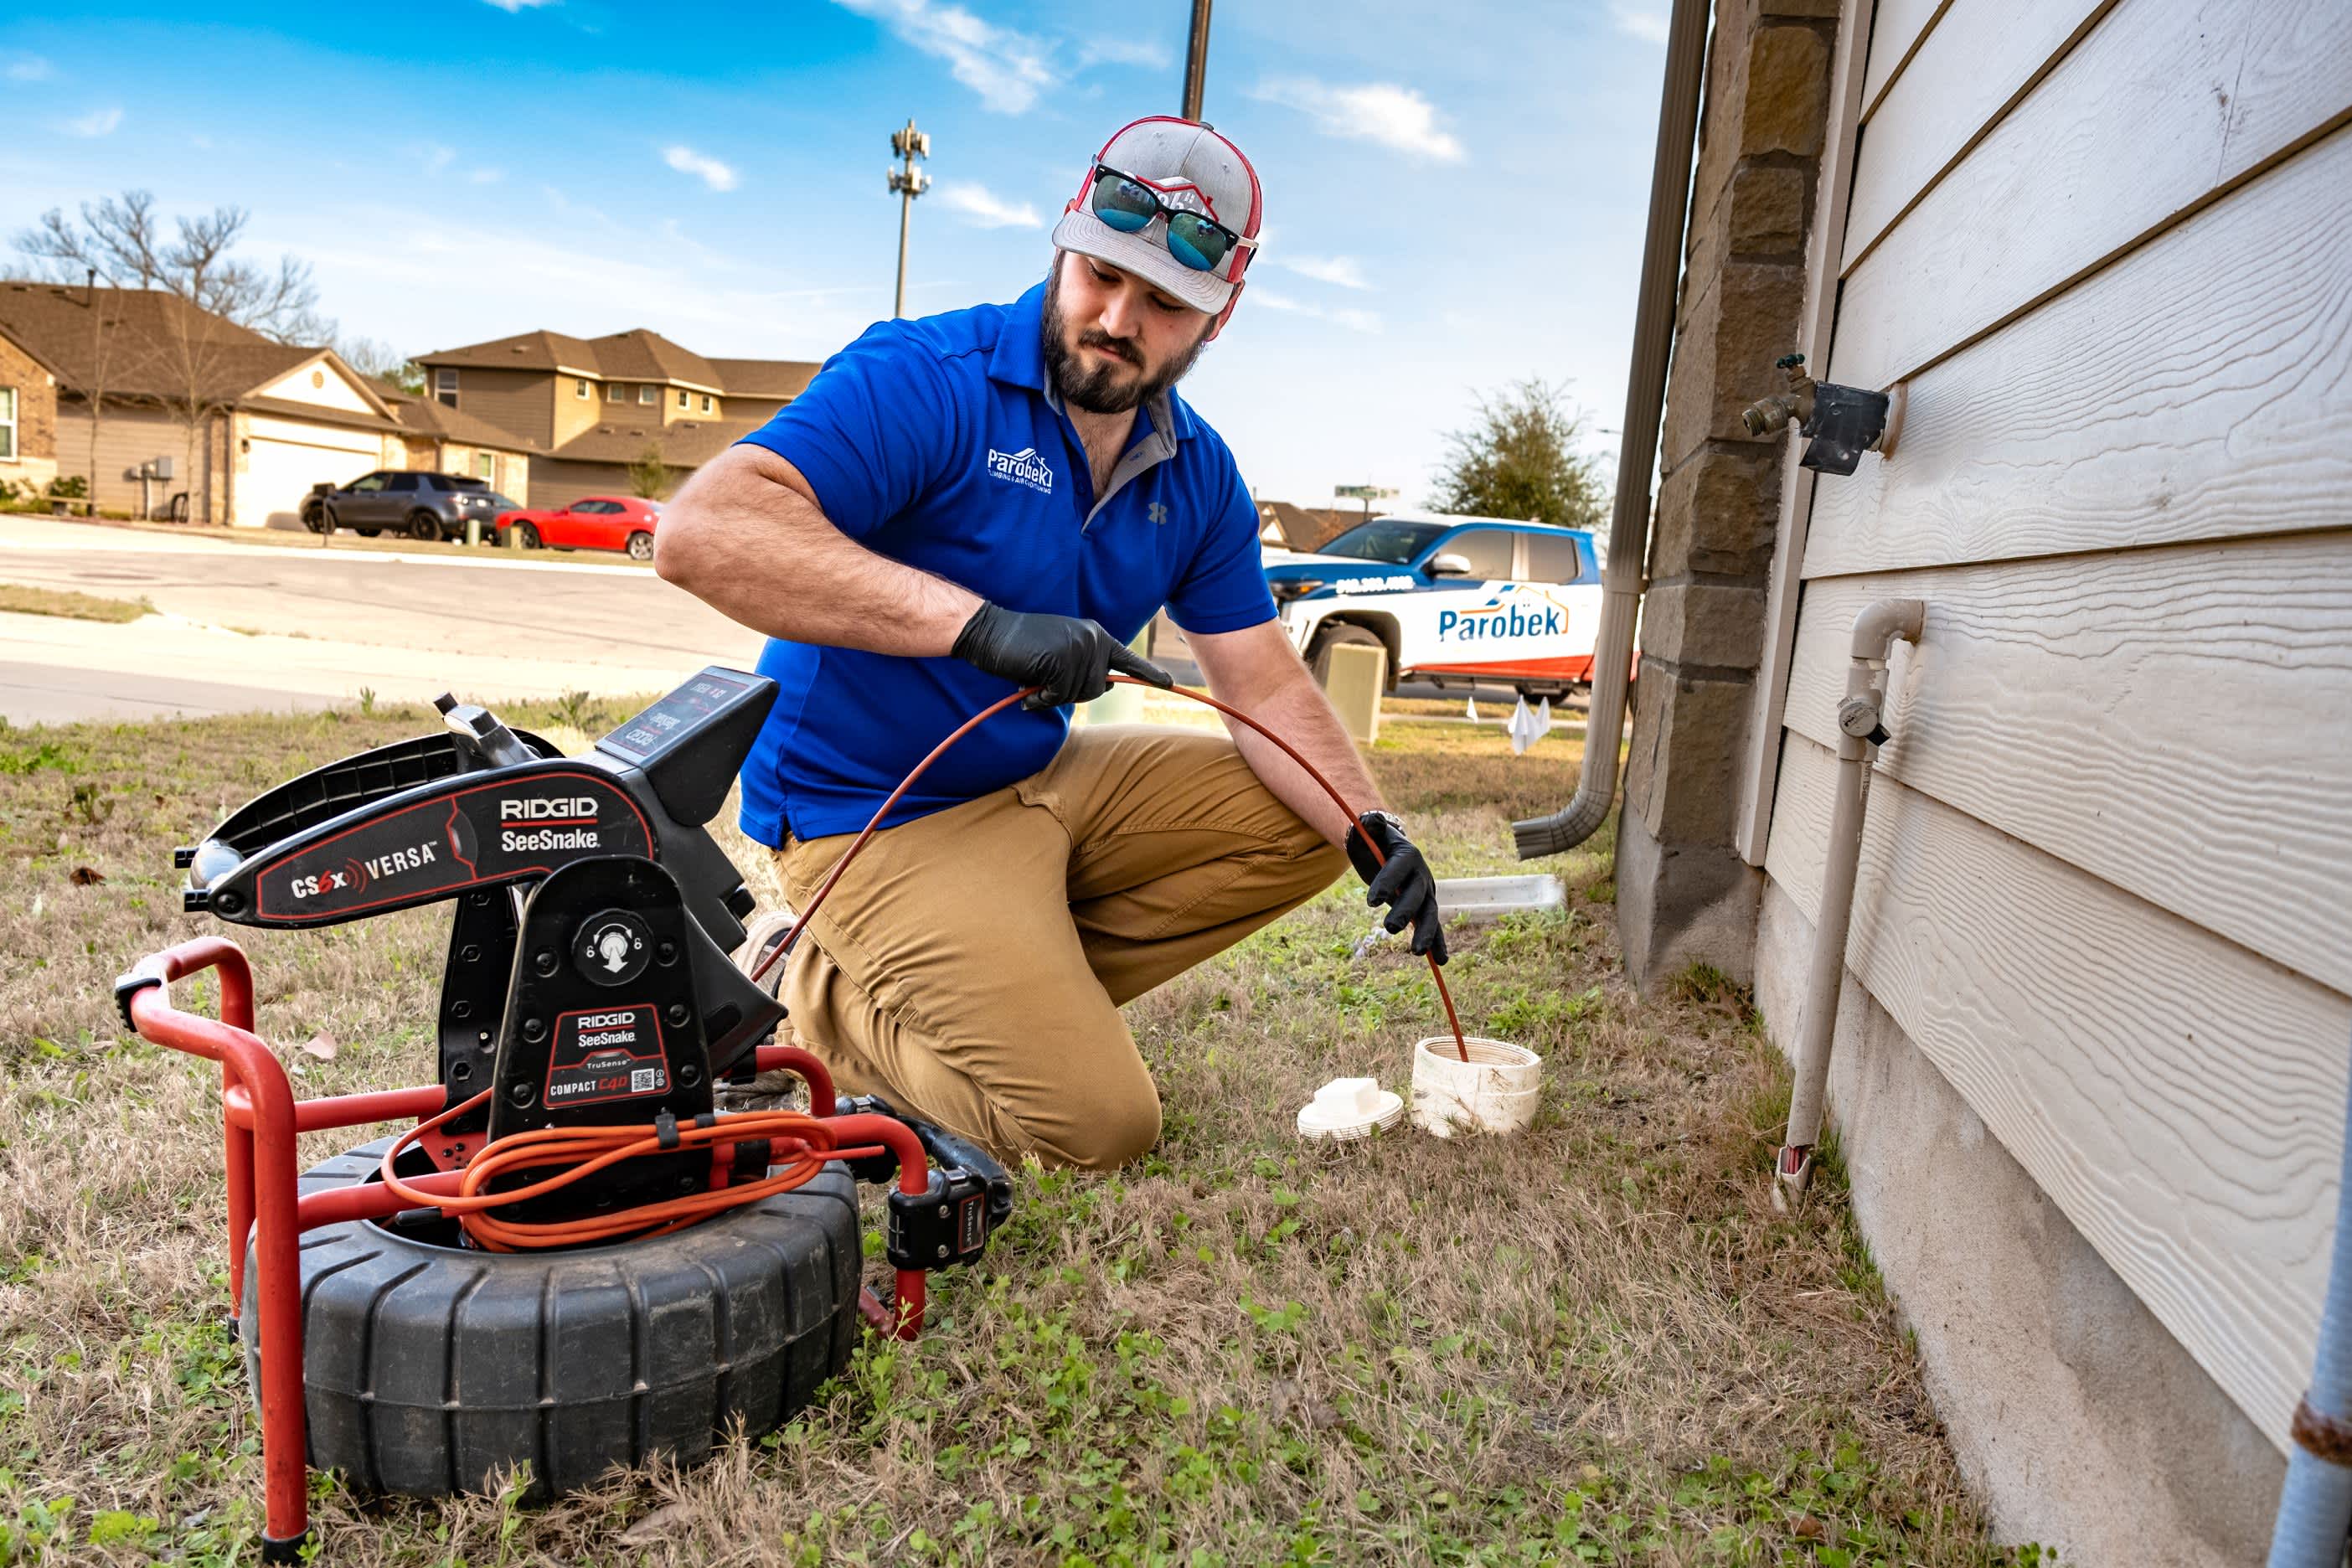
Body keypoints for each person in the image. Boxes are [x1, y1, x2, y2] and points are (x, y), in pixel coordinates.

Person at [656, 116, 1448, 1171]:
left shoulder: (1197, 474)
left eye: (1165, 302)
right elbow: (704, 532)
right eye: (1100, 275)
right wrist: (980, 628)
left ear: (1220, 315)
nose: (1117, 320)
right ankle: (819, 1003)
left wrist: (1374, 828)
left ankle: (1000, 990)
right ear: (1063, 245)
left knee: (1307, 816)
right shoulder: (928, 375)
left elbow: (1261, 679)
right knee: (1097, 1128)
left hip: (1039, 780)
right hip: (875, 815)